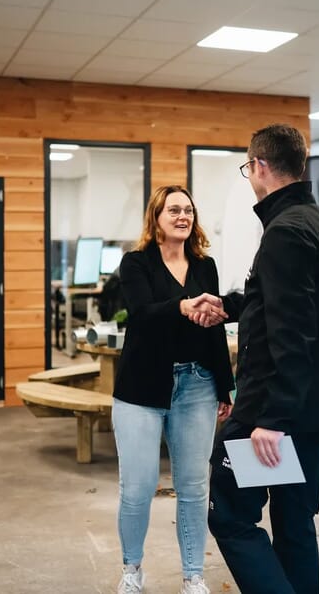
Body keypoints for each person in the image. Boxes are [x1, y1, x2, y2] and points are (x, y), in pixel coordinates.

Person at [197, 124, 319, 593]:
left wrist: (273, 419)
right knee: (293, 520)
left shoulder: (284, 232)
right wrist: (232, 306)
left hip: (274, 414)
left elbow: (294, 333)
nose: (250, 177)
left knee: (231, 518)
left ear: (260, 166)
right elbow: (293, 304)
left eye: (248, 168)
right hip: (318, 406)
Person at [112, 185, 234, 594]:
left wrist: (224, 385)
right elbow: (142, 314)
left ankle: (193, 575)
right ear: (156, 217)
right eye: (173, 209)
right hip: (141, 389)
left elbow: (214, 330)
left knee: (195, 486)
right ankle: (132, 569)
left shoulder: (205, 264)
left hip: (198, 384)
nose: (182, 216)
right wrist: (183, 306)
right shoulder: (136, 263)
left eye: (188, 210)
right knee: (139, 487)